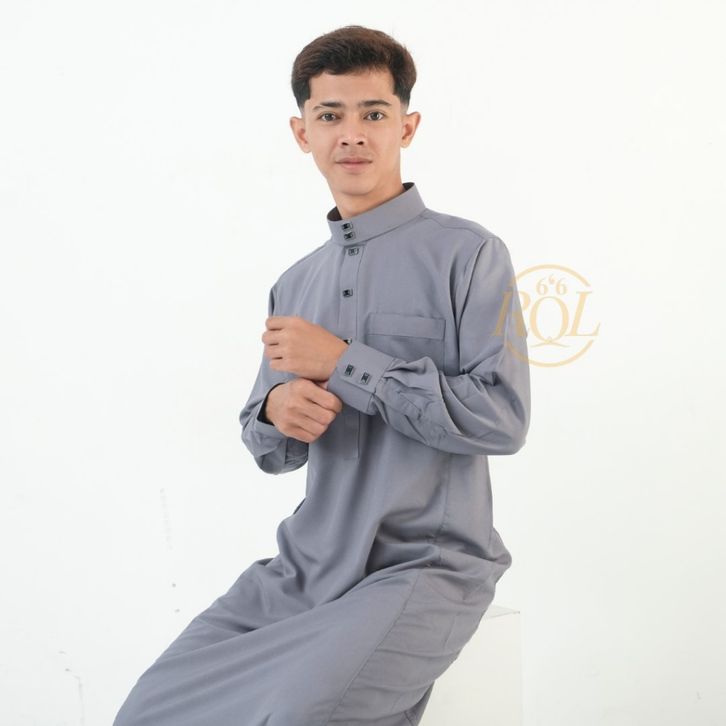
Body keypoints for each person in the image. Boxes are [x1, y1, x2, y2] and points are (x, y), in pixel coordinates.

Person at [112, 24, 531, 726]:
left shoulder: (471, 255)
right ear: (302, 133)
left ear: (408, 126)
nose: (352, 134)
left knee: (303, 716)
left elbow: (503, 419)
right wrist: (277, 410)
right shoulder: (295, 283)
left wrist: (344, 362)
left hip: (424, 566)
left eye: (374, 113)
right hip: (301, 569)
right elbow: (268, 446)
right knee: (150, 710)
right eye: (330, 115)